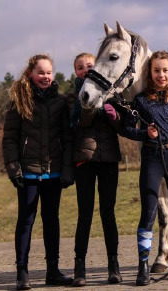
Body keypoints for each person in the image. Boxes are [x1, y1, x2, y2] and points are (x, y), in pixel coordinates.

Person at [120, 50, 168, 286]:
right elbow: (125, 129)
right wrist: (145, 133)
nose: (161, 75)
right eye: (156, 70)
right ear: (150, 73)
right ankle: (143, 266)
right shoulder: (141, 101)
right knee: (149, 213)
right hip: (153, 158)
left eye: (165, 70)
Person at [2, 54, 74, 290]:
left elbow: (67, 138)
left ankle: (52, 271)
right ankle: (22, 272)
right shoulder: (19, 101)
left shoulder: (61, 102)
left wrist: (66, 170)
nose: (45, 77)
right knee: (26, 221)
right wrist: (14, 168)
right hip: (28, 174)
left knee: (51, 221)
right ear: (30, 73)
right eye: (40, 72)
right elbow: (10, 138)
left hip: (53, 173)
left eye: (49, 72)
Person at [66, 53, 123, 287]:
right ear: (76, 72)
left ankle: (114, 266)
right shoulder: (74, 96)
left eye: (89, 66)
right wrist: (93, 104)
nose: (85, 69)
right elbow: (78, 122)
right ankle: (80, 268)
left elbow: (122, 125)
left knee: (108, 213)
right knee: (85, 214)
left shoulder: (113, 92)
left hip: (108, 160)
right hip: (85, 161)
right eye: (80, 67)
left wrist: (115, 114)